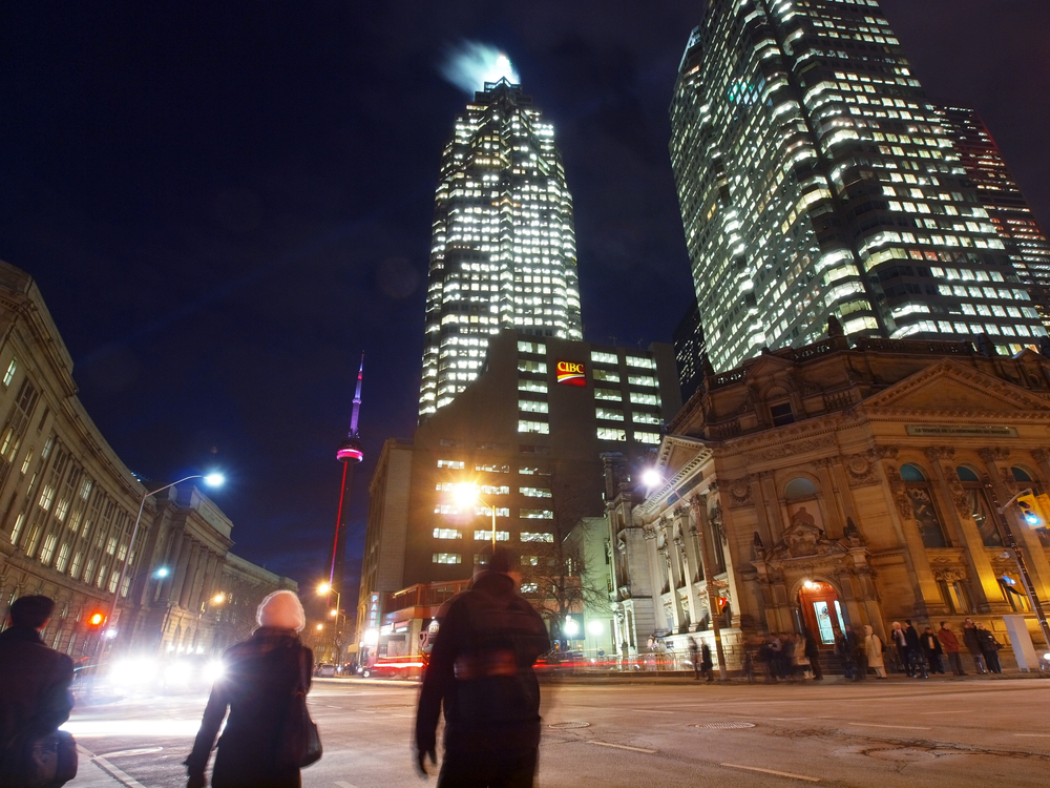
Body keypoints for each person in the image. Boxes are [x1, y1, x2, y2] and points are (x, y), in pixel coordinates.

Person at [415, 547, 551, 788]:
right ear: (510, 573)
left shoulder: (463, 607)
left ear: (481, 572)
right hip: (521, 738)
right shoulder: (523, 608)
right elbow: (543, 643)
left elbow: (437, 674)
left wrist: (424, 734)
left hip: (470, 738)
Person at [186, 590, 313, 788]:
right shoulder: (302, 656)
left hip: (235, 757)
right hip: (279, 760)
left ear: (263, 615)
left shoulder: (235, 654)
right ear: (295, 618)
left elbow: (213, 714)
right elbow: (298, 703)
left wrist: (197, 766)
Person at [0, 595, 75, 785]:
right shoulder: (57, 662)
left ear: (10, 618)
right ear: (44, 623)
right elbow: (57, 713)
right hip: (19, 759)